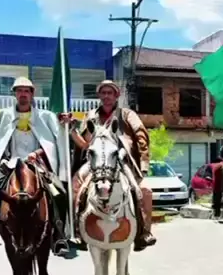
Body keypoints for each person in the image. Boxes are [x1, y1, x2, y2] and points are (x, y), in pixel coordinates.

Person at [0, 77, 69, 255]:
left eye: (26, 91)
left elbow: (52, 142)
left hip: (37, 164)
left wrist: (38, 153)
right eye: (19, 91)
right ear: (15, 94)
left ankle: (59, 236)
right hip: (11, 163)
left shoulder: (45, 116)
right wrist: (1, 159)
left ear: (32, 94)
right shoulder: (3, 115)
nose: (23, 94)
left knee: (60, 193)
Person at [66, 80, 156, 251]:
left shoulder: (127, 115)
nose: (106, 96)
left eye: (110, 93)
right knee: (74, 186)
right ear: (99, 96)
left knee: (145, 191)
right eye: (103, 93)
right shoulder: (91, 116)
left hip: (121, 161)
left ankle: (144, 233)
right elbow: (85, 144)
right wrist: (71, 129)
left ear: (116, 96)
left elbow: (141, 136)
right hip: (96, 163)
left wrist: (143, 164)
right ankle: (76, 231)